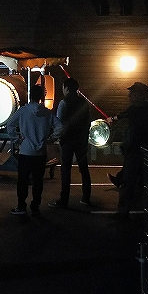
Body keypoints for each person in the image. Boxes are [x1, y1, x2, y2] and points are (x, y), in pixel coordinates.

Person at [106, 82, 148, 220]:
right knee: (141, 181)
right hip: (146, 151)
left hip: (137, 152)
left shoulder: (141, 110)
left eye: (132, 93)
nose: (129, 96)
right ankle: (146, 211)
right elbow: (125, 114)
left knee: (129, 182)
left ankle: (124, 212)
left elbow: (128, 119)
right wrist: (114, 119)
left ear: (141, 95)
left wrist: (113, 120)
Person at [6, 84, 61, 216]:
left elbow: (10, 124)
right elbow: (60, 127)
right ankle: (35, 206)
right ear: (42, 97)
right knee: (38, 181)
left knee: (23, 181)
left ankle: (21, 206)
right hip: (40, 153)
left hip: (25, 152)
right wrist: (51, 139)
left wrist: (16, 139)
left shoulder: (23, 111)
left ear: (30, 96)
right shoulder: (47, 113)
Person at [49, 77, 93, 208]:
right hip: (81, 140)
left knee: (66, 170)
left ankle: (64, 199)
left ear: (67, 88)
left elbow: (59, 123)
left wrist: (55, 137)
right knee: (84, 169)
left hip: (68, 140)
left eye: (63, 87)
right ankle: (86, 198)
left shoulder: (64, 103)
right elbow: (88, 121)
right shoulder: (83, 102)